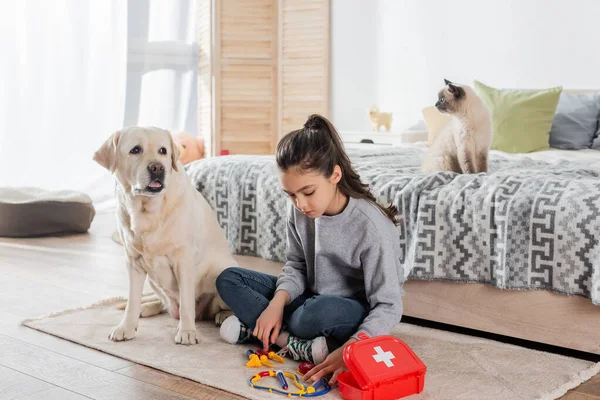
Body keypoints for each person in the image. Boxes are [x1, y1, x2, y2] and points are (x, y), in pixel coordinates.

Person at [216, 114, 405, 384]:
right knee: (228, 279)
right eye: (291, 195)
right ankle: (290, 340)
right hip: (307, 297)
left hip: (344, 311)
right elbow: (296, 266)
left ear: (335, 175)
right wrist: (277, 304)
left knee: (312, 314)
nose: (300, 204)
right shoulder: (300, 211)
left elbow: (388, 305)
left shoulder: (371, 226)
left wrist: (351, 349)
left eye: (307, 192)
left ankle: (258, 329)